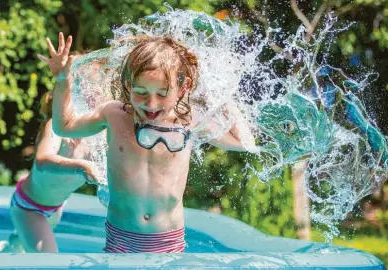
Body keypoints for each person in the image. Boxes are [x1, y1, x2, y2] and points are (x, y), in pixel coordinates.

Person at [37, 32, 258, 253]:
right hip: (120, 240)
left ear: (183, 88)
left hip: (168, 242)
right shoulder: (114, 115)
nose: (151, 104)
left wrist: (225, 94)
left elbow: (243, 142)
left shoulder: (189, 121)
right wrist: (62, 80)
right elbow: (64, 126)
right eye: (141, 92)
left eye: (162, 94)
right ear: (128, 84)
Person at [0, 91, 101, 253]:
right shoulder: (55, 128)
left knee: (27, 241)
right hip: (28, 207)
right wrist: (81, 166)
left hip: (55, 208)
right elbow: (42, 159)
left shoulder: (93, 139)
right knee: (50, 261)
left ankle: (12, 243)